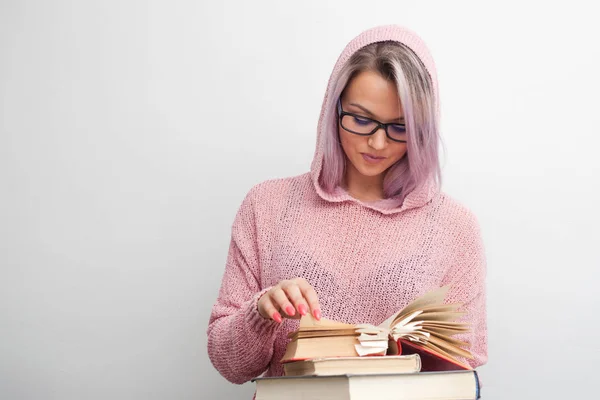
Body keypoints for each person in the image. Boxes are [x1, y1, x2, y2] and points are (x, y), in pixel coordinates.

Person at [207, 24, 487, 385]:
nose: (378, 143)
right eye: (360, 119)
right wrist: (261, 313)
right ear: (332, 109)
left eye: (400, 126)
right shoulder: (267, 205)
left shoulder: (455, 227)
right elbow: (228, 365)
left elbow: (464, 375)